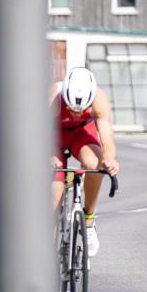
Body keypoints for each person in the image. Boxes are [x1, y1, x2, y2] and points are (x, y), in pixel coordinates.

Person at [49, 66, 119, 257]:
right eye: (72, 108)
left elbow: (107, 141)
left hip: (81, 133)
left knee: (94, 163)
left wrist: (110, 160)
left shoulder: (99, 99)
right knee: (55, 194)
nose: (76, 112)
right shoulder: (53, 96)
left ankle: (88, 220)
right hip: (53, 135)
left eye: (81, 109)